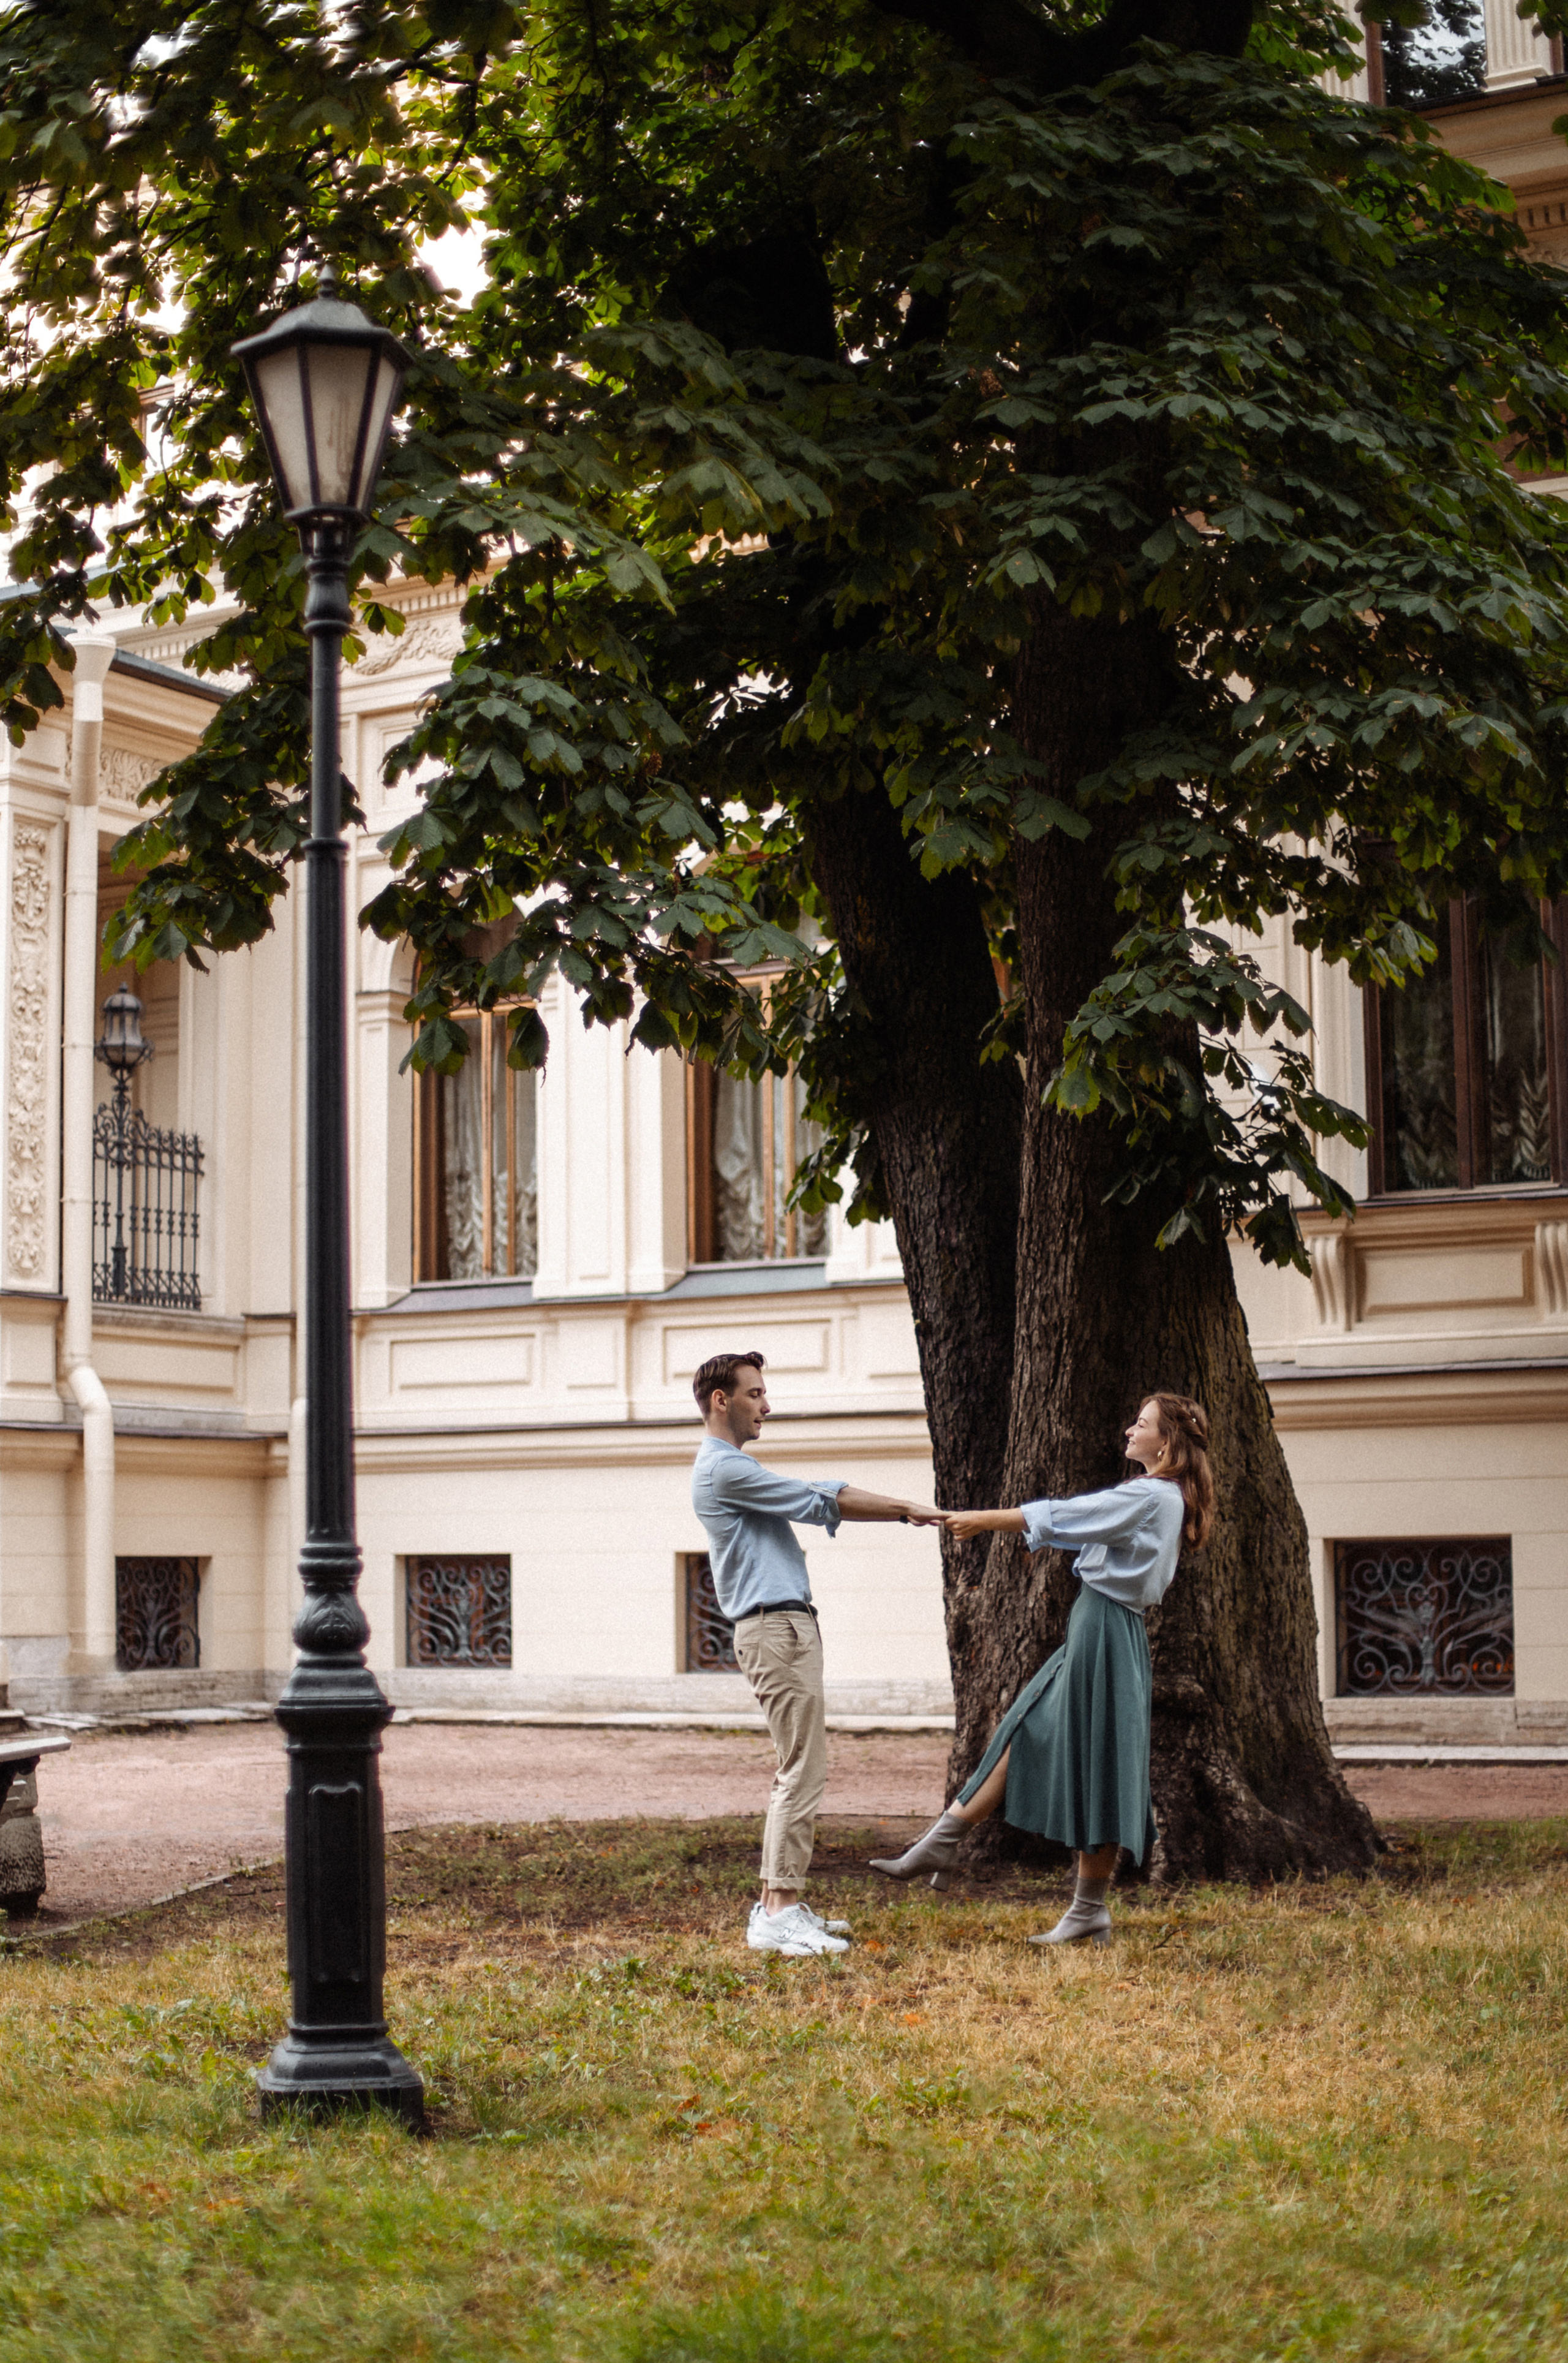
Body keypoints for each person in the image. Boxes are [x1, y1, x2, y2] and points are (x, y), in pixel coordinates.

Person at [869, 1393, 1213, 1947]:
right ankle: (947, 1838)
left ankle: (1083, 1909)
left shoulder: (1152, 1496)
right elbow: (1077, 1527)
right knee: (1027, 1726)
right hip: (1099, 1624)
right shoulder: (1158, 1497)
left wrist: (984, 1520)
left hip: (1106, 1625)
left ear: (1167, 1441)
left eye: (1142, 1423)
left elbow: (1073, 1516)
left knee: (1098, 1762)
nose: (1130, 1429)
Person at [691, 1349, 944, 1959]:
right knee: (801, 1769)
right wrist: (905, 1507)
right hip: (772, 1628)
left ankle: (776, 1905)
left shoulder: (731, 1468)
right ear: (720, 1400)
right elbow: (814, 1497)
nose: (766, 1405)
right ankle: (778, 1911)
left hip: (784, 1626)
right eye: (755, 1393)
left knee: (798, 1765)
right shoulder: (722, 1470)